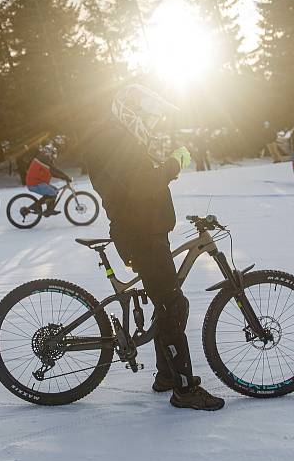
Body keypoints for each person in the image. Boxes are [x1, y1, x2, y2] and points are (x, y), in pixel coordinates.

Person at [83, 84, 225, 411]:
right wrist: (173, 164)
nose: (152, 123)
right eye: (148, 116)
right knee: (172, 306)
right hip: (140, 235)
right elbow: (142, 185)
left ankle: (167, 376)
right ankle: (184, 389)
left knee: (170, 305)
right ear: (130, 112)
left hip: (148, 231)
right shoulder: (111, 138)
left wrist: (165, 167)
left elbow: (141, 178)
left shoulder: (119, 137)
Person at [26, 144, 71, 216]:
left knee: (54, 191)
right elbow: (53, 170)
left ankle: (49, 209)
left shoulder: (43, 159)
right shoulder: (43, 159)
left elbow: (52, 172)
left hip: (38, 182)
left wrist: (64, 177)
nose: (54, 156)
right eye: (53, 154)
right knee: (52, 192)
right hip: (35, 183)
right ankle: (37, 207)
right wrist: (65, 177)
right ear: (49, 153)